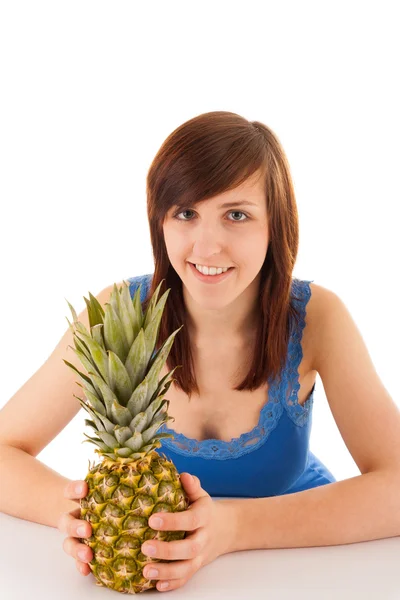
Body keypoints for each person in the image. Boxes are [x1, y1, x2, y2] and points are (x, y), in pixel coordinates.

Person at [2, 111, 400, 594]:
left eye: (237, 215)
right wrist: (80, 515)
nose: (207, 247)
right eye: (186, 213)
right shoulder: (117, 314)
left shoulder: (319, 317)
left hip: (298, 564)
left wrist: (232, 528)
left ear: (275, 225)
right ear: (160, 221)